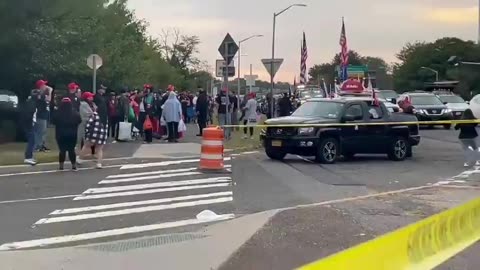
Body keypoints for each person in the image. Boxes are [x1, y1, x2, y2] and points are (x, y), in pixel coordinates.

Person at [52, 98, 81, 171]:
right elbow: (79, 120)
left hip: (60, 134)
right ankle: (73, 165)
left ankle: (61, 166)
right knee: (71, 150)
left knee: (62, 150)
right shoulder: (74, 112)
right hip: (72, 134)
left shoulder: (58, 112)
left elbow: (53, 121)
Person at [78, 98, 108, 169]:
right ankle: (99, 163)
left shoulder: (94, 114)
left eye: (94, 105)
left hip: (93, 134)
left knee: (86, 146)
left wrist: (87, 131)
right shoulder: (105, 116)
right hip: (102, 135)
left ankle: (79, 159)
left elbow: (89, 124)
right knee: (99, 149)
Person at [21, 90, 39, 165]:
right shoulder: (32, 103)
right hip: (29, 124)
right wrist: (31, 123)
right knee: (32, 140)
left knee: (32, 140)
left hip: (29, 123)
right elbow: (28, 115)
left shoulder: (31, 102)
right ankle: (28, 157)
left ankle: (29, 156)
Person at [33, 80, 51, 152]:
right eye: (44, 85)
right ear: (41, 86)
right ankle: (38, 146)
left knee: (43, 131)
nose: (45, 86)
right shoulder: (39, 93)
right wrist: (50, 91)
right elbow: (48, 99)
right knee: (40, 131)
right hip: (40, 115)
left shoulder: (43, 93)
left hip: (44, 114)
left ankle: (41, 145)